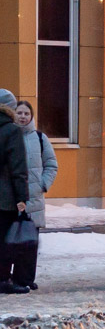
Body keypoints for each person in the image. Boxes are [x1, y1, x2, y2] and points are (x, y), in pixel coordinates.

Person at [14, 101, 55, 291]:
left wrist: (42, 185)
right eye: (19, 113)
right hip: (13, 199)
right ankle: (12, 278)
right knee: (11, 241)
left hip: (34, 198)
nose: (23, 116)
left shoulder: (39, 138)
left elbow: (51, 164)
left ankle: (26, 278)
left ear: (31, 116)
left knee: (30, 241)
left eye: (26, 113)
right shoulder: (9, 136)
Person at [0, 91, 31, 295]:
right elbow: (17, 168)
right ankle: (3, 279)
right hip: (5, 198)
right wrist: (21, 197)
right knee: (5, 240)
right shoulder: (12, 131)